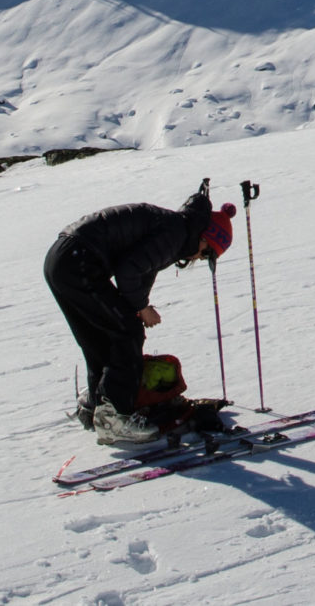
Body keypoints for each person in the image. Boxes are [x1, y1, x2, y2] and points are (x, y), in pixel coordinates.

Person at [45, 183, 234, 445]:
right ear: (205, 237)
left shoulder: (174, 227)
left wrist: (137, 307)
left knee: (101, 336)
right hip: (79, 262)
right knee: (128, 332)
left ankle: (97, 407)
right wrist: (140, 309)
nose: (199, 259)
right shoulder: (176, 233)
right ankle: (114, 418)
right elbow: (129, 271)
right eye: (207, 253)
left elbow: (142, 273)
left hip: (61, 260)